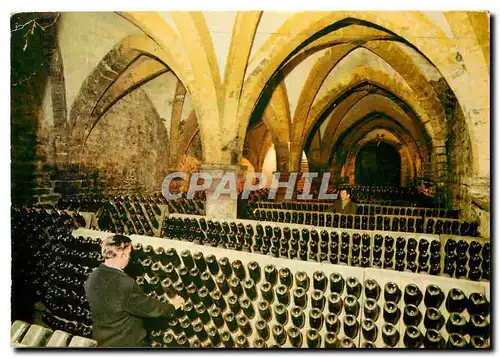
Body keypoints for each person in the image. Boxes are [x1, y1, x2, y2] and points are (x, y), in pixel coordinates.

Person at [84, 235, 184, 347]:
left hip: (102, 341)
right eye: (129, 254)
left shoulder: (92, 277)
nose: (129, 258)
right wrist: (172, 306)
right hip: (126, 342)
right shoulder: (125, 283)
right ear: (123, 254)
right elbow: (148, 308)